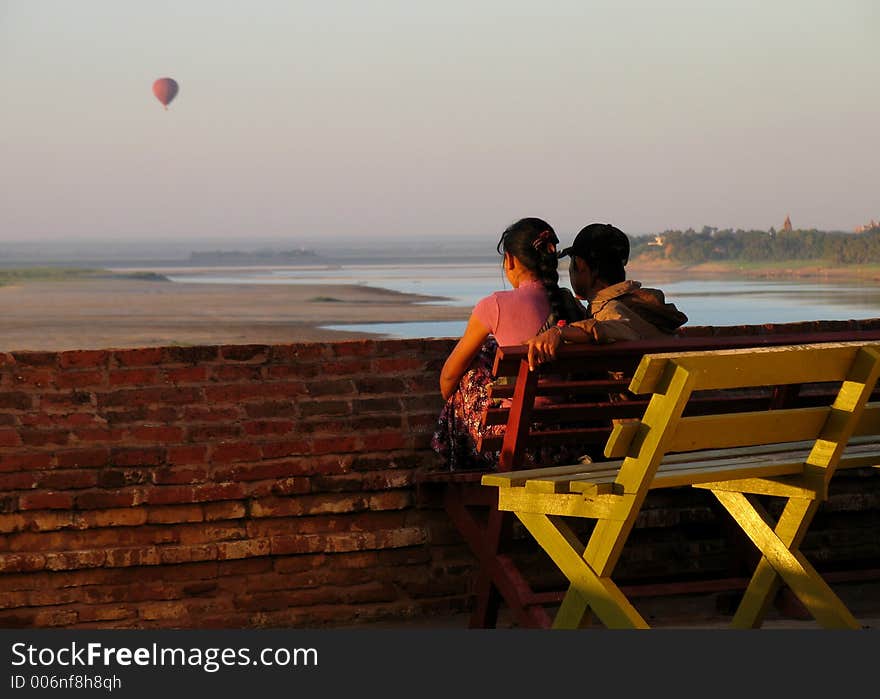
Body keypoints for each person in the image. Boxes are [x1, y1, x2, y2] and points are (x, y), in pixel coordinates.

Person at [431, 217, 587, 471]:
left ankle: (452, 458)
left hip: (515, 447)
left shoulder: (494, 306)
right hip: (569, 444)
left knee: (470, 370)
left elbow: (447, 379)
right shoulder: (573, 307)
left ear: (511, 260)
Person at [525, 223, 688, 370]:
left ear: (581, 265)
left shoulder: (609, 311)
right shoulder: (641, 306)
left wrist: (560, 332)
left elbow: (620, 328)